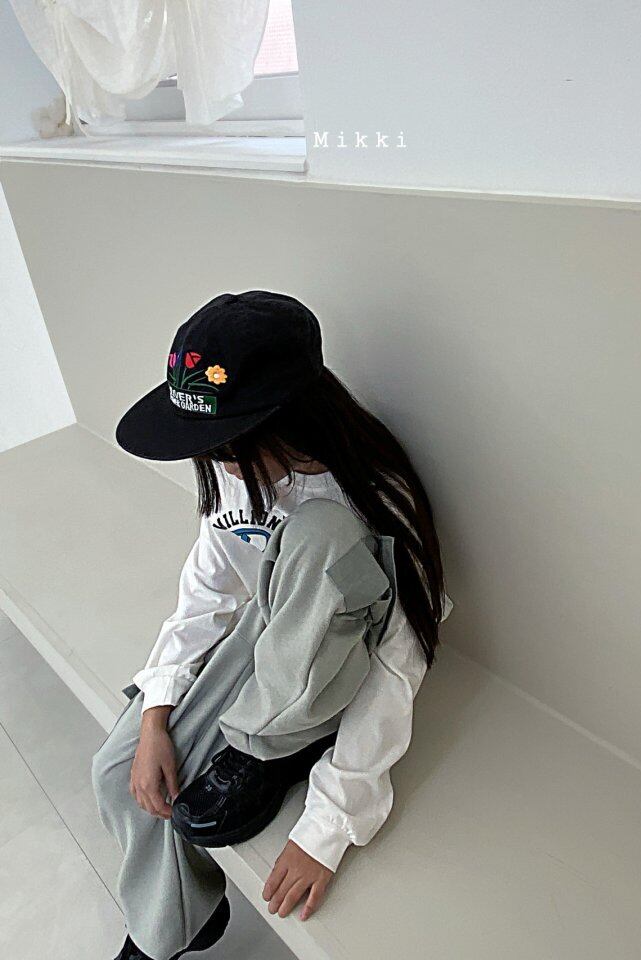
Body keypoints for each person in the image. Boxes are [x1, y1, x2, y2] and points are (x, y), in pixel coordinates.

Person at [92, 291, 453, 960]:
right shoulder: (238, 471)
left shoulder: (372, 498)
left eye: (229, 444)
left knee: (320, 535)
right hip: (273, 638)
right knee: (116, 772)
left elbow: (398, 663)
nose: (219, 462)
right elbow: (209, 590)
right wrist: (156, 712)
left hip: (331, 667)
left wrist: (329, 824)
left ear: (287, 416)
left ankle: (270, 752)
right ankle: (187, 919)